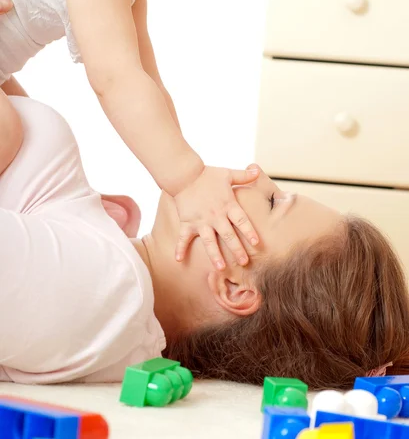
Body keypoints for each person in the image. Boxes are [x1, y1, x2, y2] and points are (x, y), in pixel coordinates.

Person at [0, 0, 292, 269]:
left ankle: (46, 215)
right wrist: (187, 179)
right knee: (8, 127)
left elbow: (146, 81)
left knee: (31, 127)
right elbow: (115, 78)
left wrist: (187, 170)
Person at [1, 93, 409, 388]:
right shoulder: (110, 256)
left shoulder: (99, 286)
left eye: (271, 202)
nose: (255, 171)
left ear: (233, 286)